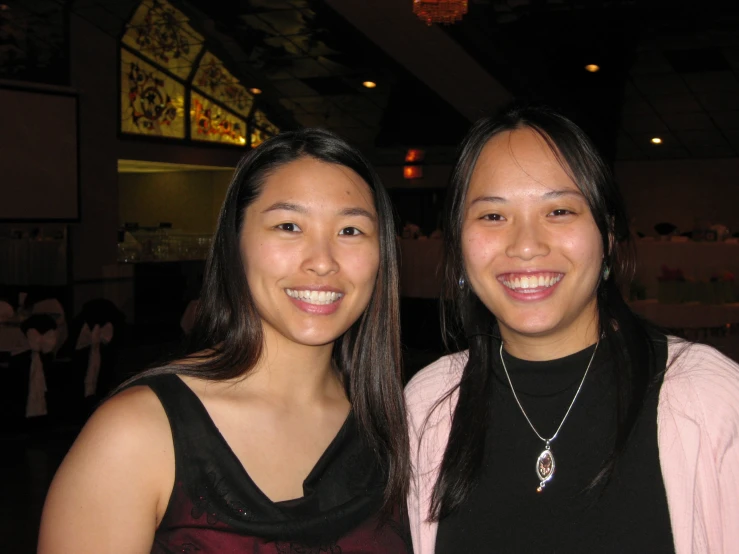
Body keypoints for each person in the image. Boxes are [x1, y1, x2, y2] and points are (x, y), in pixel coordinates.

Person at [39, 129, 411, 553]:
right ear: (235, 244)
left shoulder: (397, 422)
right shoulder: (136, 434)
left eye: (350, 230)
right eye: (289, 226)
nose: (323, 261)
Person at [405, 106, 739, 553]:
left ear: (607, 232)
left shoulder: (705, 396)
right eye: (492, 216)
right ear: (458, 240)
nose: (526, 245)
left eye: (559, 210)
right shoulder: (428, 405)